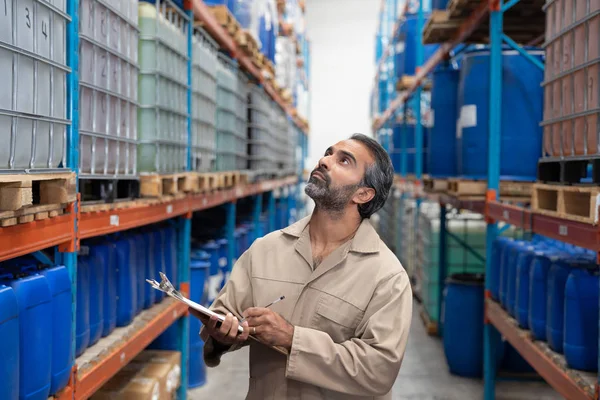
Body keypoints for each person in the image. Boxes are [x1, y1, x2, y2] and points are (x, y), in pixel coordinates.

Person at [190, 133, 413, 399]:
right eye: (328, 153)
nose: (324, 161)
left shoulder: (387, 277)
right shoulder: (265, 249)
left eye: (344, 161)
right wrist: (222, 337)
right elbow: (224, 315)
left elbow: (378, 370)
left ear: (363, 194)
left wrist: (291, 338)